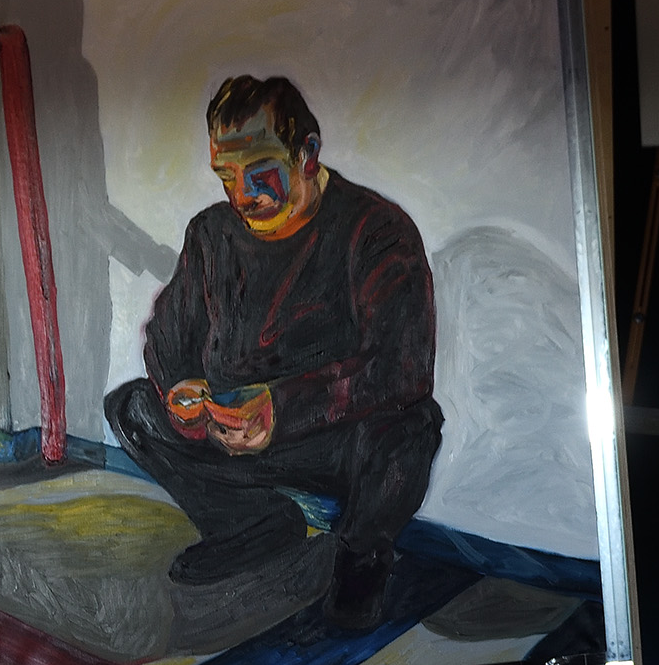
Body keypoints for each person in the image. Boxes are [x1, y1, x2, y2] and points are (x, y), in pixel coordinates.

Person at [105, 74, 442, 636]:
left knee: (413, 428)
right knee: (133, 407)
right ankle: (253, 528)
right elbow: (167, 332)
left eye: (259, 171)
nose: (242, 195)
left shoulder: (377, 230)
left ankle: (360, 557)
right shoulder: (210, 234)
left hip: (332, 439)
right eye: (226, 176)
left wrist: (281, 409)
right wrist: (181, 387)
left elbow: (400, 369)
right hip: (228, 430)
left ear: (307, 153)